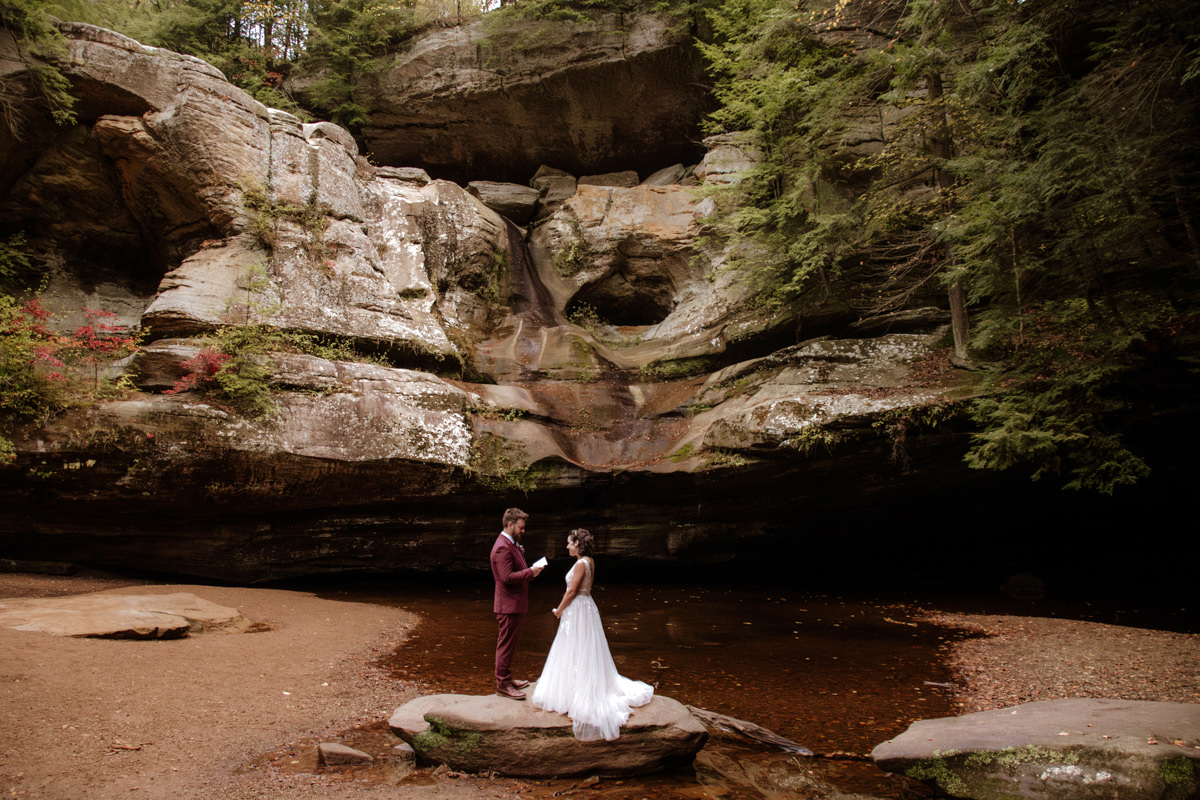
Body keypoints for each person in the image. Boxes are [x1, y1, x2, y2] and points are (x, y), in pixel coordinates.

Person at [531, 529, 653, 740]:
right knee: (582, 648)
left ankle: (579, 691)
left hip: (578, 609)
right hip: (585, 608)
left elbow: (572, 591)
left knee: (576, 648)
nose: (567, 546)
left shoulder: (580, 564)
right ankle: (576, 686)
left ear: (577, 544)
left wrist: (559, 610)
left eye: (569, 543)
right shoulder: (590, 561)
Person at [491, 507, 543, 700]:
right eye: (521, 527)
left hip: (514, 603)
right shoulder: (502, 546)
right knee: (505, 644)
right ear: (510, 524)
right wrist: (531, 572)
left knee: (510, 643)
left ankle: (507, 678)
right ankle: (503, 684)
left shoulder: (510, 543)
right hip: (508, 605)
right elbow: (506, 578)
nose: (523, 531)